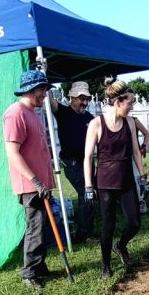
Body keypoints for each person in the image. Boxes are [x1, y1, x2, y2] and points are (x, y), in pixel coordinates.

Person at [84, 78, 147, 278]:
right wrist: (87, 186)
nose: (132, 106)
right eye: (130, 102)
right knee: (107, 226)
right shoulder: (96, 124)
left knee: (134, 223)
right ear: (118, 102)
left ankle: (121, 246)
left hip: (127, 179)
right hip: (105, 182)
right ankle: (105, 265)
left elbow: (136, 152)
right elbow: (87, 157)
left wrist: (143, 177)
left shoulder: (130, 122)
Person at [3, 70, 56, 290]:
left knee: (42, 226)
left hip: (42, 182)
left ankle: (39, 265)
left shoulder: (33, 112)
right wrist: (35, 181)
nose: (45, 94)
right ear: (31, 90)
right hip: (30, 184)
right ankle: (29, 273)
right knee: (35, 227)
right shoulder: (15, 114)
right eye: (43, 89)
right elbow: (12, 152)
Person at [50, 81, 95, 242]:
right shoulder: (63, 112)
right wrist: (44, 76)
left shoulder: (89, 118)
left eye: (87, 99)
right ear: (71, 98)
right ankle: (84, 233)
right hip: (73, 163)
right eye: (81, 98)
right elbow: (49, 101)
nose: (85, 102)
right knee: (85, 194)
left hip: (88, 162)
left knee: (91, 194)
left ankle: (82, 224)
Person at [130, 114, 149, 214]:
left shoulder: (134, 120)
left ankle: (141, 200)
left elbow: (146, 133)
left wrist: (144, 146)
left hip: (135, 154)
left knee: (137, 177)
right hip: (120, 155)